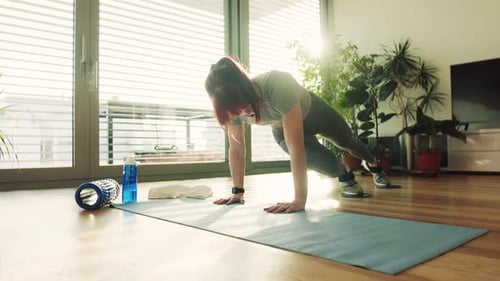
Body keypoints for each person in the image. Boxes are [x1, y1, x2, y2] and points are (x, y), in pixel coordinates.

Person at [204, 56, 392, 214]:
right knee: (326, 166)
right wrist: (238, 192)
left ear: (246, 86)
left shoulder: (276, 84)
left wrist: (299, 200)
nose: (244, 113)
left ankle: (374, 165)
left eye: (245, 105)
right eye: (237, 111)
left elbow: (296, 148)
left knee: (347, 142)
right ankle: (346, 176)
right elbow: (236, 149)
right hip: (280, 129)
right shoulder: (231, 110)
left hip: (316, 114)